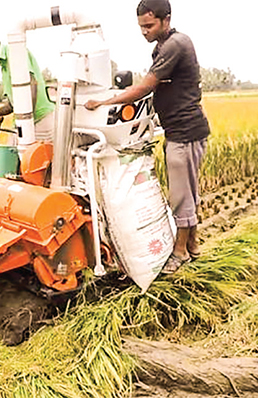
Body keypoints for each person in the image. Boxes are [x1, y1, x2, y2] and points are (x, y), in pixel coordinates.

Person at [84, 0, 210, 273]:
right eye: (141, 26)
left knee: (180, 194)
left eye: (149, 25)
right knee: (186, 189)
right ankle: (194, 244)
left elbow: (146, 87)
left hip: (186, 132)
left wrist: (106, 103)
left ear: (166, 19)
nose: (144, 31)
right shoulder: (162, 47)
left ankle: (180, 253)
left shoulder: (176, 44)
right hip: (179, 130)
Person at [0, 29, 55, 142]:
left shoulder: (15, 52)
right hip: (24, 122)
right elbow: (13, 105)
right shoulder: (4, 64)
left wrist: (27, 122)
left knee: (39, 158)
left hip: (40, 120)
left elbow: (32, 84)